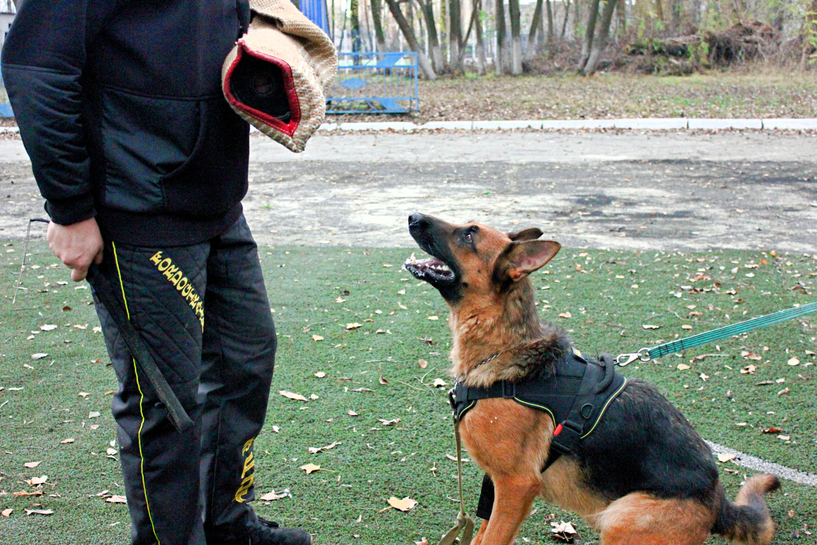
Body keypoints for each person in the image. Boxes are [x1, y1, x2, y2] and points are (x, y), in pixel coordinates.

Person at [2, 1, 310, 544]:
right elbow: (36, 65)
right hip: (137, 207)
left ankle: (226, 527)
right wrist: (71, 209)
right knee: (166, 405)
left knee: (244, 364)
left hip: (217, 200)